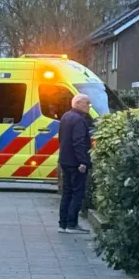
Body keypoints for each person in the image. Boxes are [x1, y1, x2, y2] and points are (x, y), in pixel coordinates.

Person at [58, 93, 93, 234]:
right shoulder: (79, 120)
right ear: (78, 103)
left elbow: (62, 139)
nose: (89, 106)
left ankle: (63, 224)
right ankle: (72, 224)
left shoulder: (66, 116)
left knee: (67, 192)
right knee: (77, 193)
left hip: (65, 160)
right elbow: (79, 142)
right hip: (76, 163)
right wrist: (83, 161)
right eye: (87, 103)